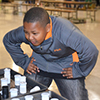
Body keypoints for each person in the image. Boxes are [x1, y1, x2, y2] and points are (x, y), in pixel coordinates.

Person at [3, 7, 98, 100]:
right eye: (26, 32)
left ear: (48, 28)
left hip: (65, 66)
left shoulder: (65, 31)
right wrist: (25, 62)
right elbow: (8, 40)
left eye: (34, 33)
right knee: (27, 93)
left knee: (77, 98)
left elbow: (90, 51)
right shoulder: (30, 29)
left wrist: (78, 70)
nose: (30, 37)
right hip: (40, 63)